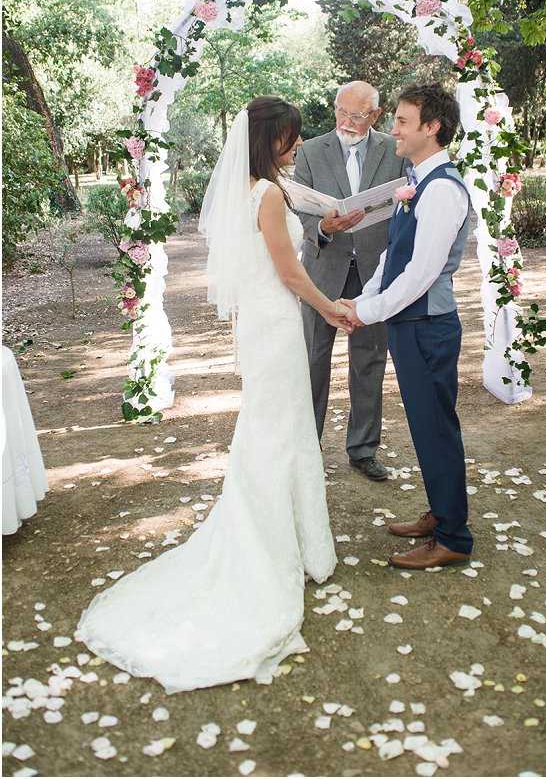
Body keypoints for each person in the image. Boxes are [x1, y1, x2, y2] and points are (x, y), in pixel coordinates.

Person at [77, 97, 353, 692]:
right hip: (277, 324)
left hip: (256, 325)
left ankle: (302, 545)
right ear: (268, 142)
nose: (297, 145)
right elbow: (288, 271)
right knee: (278, 436)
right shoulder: (269, 196)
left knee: (274, 431)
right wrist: (330, 308)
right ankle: (280, 550)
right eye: (290, 138)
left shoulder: (249, 191)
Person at [343, 83, 474, 569]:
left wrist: (366, 313)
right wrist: (362, 300)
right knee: (426, 427)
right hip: (408, 323)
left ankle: (454, 538)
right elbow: (392, 260)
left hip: (427, 325)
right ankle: (441, 514)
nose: (391, 128)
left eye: (401, 121)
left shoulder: (440, 190)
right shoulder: (416, 181)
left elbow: (420, 275)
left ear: (431, 127)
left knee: (435, 428)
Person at [294, 81, 409, 481]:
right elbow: (299, 211)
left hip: (374, 274)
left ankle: (363, 450)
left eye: (357, 115)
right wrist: (323, 226)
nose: (346, 121)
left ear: (376, 116)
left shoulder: (394, 151)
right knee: (312, 360)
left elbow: (405, 205)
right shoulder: (310, 151)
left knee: (369, 362)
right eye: (341, 112)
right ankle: (307, 448)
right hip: (323, 271)